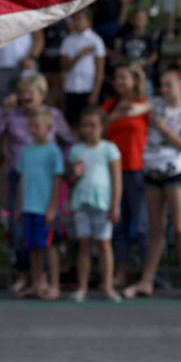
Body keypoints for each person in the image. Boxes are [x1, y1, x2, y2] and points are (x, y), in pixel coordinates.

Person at [0, 72, 72, 292]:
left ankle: (47, 279)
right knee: (20, 229)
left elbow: (69, 141)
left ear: (42, 94)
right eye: (22, 92)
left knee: (47, 231)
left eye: (30, 92)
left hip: (47, 180)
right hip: (21, 176)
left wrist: (63, 167)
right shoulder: (12, 115)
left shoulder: (53, 115)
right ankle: (27, 276)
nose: (25, 96)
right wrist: (4, 113)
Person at [125, 63, 181, 299]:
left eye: (169, 85)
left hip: (175, 171)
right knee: (155, 228)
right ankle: (146, 281)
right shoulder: (155, 105)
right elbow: (134, 108)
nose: (164, 89)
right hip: (152, 170)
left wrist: (164, 130)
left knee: (179, 226)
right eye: (162, 85)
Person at [66, 105, 122, 303]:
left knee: (104, 244)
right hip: (82, 203)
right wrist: (75, 174)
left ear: (102, 127)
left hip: (103, 204)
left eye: (93, 125)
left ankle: (108, 285)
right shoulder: (76, 150)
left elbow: (117, 179)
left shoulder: (109, 149)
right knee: (84, 245)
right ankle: (82, 287)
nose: (88, 129)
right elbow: (70, 180)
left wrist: (115, 205)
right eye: (85, 125)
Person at [102, 64, 151, 285]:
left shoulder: (144, 106)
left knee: (141, 225)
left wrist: (140, 109)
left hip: (137, 170)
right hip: (112, 173)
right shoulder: (109, 106)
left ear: (135, 80)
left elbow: (158, 109)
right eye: (116, 77)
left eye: (123, 77)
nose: (118, 81)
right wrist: (114, 116)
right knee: (118, 224)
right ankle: (119, 273)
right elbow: (95, 129)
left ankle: (146, 273)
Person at [14, 106, 65, 300]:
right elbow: (21, 179)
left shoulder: (54, 151)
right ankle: (36, 284)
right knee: (33, 247)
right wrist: (19, 206)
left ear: (48, 127)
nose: (33, 130)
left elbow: (58, 180)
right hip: (29, 206)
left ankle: (54, 285)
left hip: (45, 208)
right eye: (31, 126)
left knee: (50, 247)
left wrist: (52, 207)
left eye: (37, 126)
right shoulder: (26, 151)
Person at [59, 9, 106, 124]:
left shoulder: (96, 40)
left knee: (90, 121)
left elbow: (100, 70)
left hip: (88, 88)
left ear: (89, 21)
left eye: (80, 19)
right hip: (72, 88)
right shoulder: (67, 41)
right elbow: (63, 66)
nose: (76, 22)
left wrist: (95, 93)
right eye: (75, 19)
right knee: (73, 122)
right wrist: (80, 55)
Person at [115, 7, 159, 84]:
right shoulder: (127, 37)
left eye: (141, 18)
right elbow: (122, 53)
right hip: (130, 74)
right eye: (136, 18)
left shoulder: (149, 37)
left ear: (146, 20)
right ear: (131, 20)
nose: (139, 21)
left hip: (146, 74)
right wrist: (128, 63)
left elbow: (154, 54)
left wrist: (145, 64)